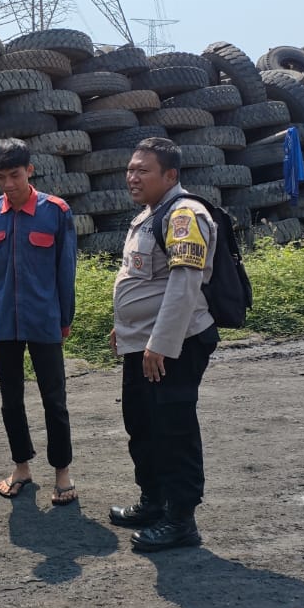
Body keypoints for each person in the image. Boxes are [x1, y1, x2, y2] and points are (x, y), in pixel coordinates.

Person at [109, 136, 219, 552]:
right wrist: (125, 327)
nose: (132, 177)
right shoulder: (149, 215)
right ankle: (153, 501)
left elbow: (183, 285)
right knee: (142, 425)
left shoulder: (185, 215)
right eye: (130, 169)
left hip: (175, 344)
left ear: (170, 175)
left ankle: (181, 520)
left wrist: (160, 344)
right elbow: (142, 280)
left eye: (143, 170)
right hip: (142, 343)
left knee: (173, 429)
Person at [0, 138, 79, 506]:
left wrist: (64, 319)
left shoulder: (56, 211)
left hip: (44, 319)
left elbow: (66, 271)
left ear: (30, 171)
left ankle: (62, 472)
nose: (8, 184)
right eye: (1, 177)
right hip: (5, 322)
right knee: (10, 399)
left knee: (54, 399)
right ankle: (21, 467)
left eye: (15, 175)